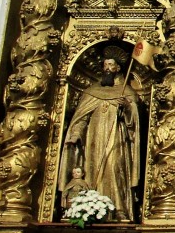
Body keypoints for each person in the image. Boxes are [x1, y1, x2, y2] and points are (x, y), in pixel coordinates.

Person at [59, 53, 142, 221]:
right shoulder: (91, 91)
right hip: (93, 137)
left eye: (111, 65)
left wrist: (127, 107)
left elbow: (134, 119)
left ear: (118, 68)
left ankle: (119, 207)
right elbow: (81, 116)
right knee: (91, 169)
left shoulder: (126, 91)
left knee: (114, 167)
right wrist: (76, 134)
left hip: (116, 137)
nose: (107, 69)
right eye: (105, 65)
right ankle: (88, 207)